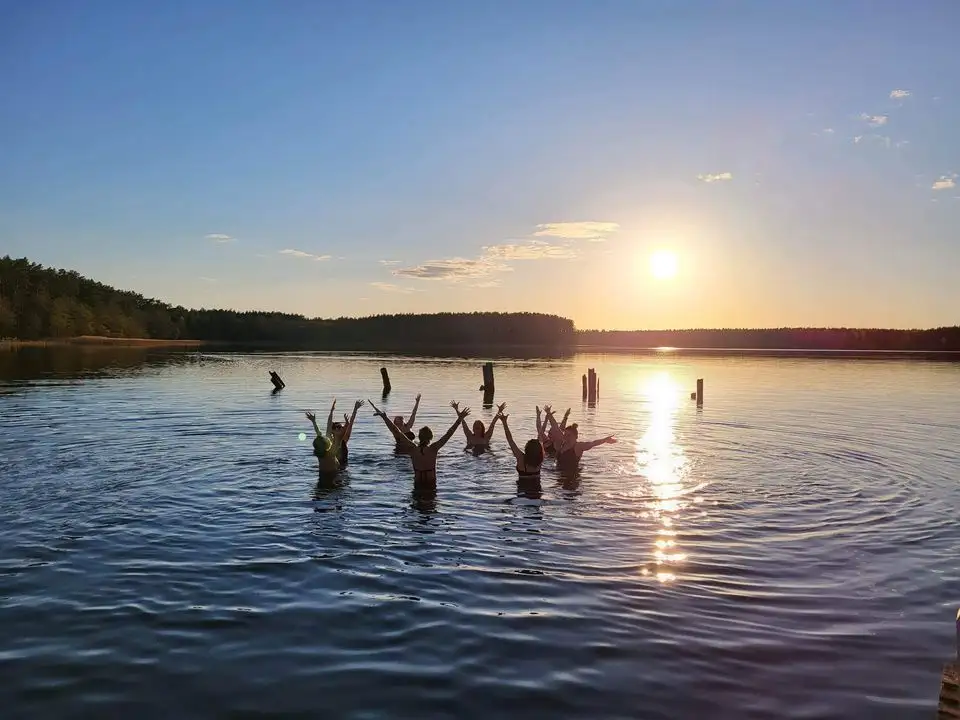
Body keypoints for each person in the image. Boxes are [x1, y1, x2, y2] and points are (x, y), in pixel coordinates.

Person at [368, 398, 469, 486]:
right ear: (431, 437)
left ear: (419, 437)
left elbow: (397, 432)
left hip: (417, 486)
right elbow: (448, 434)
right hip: (431, 487)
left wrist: (385, 418)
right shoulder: (434, 448)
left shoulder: (413, 449)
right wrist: (459, 419)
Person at [545, 407, 617, 474]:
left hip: (572, 478)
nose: (566, 437)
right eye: (565, 434)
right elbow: (556, 428)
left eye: (569, 435)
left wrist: (605, 440)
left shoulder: (578, 446)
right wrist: (549, 413)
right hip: (558, 475)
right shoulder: (561, 444)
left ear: (576, 437)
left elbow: (593, 443)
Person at [497, 409, 544, 481]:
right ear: (540, 451)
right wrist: (538, 416)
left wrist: (504, 423)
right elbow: (540, 434)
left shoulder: (521, 458)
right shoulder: (539, 462)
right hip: (537, 491)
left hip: (522, 490)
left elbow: (510, 440)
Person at [306, 400, 342, 478]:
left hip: (322, 476)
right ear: (327, 444)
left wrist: (314, 422)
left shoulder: (319, 454)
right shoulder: (331, 452)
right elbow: (337, 442)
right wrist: (336, 435)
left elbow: (319, 434)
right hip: (332, 477)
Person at [334, 399, 364, 468]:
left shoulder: (344, 441)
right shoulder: (330, 442)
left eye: (341, 427)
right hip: (334, 469)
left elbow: (350, 424)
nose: (341, 428)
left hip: (344, 468)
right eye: (338, 427)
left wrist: (355, 409)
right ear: (333, 431)